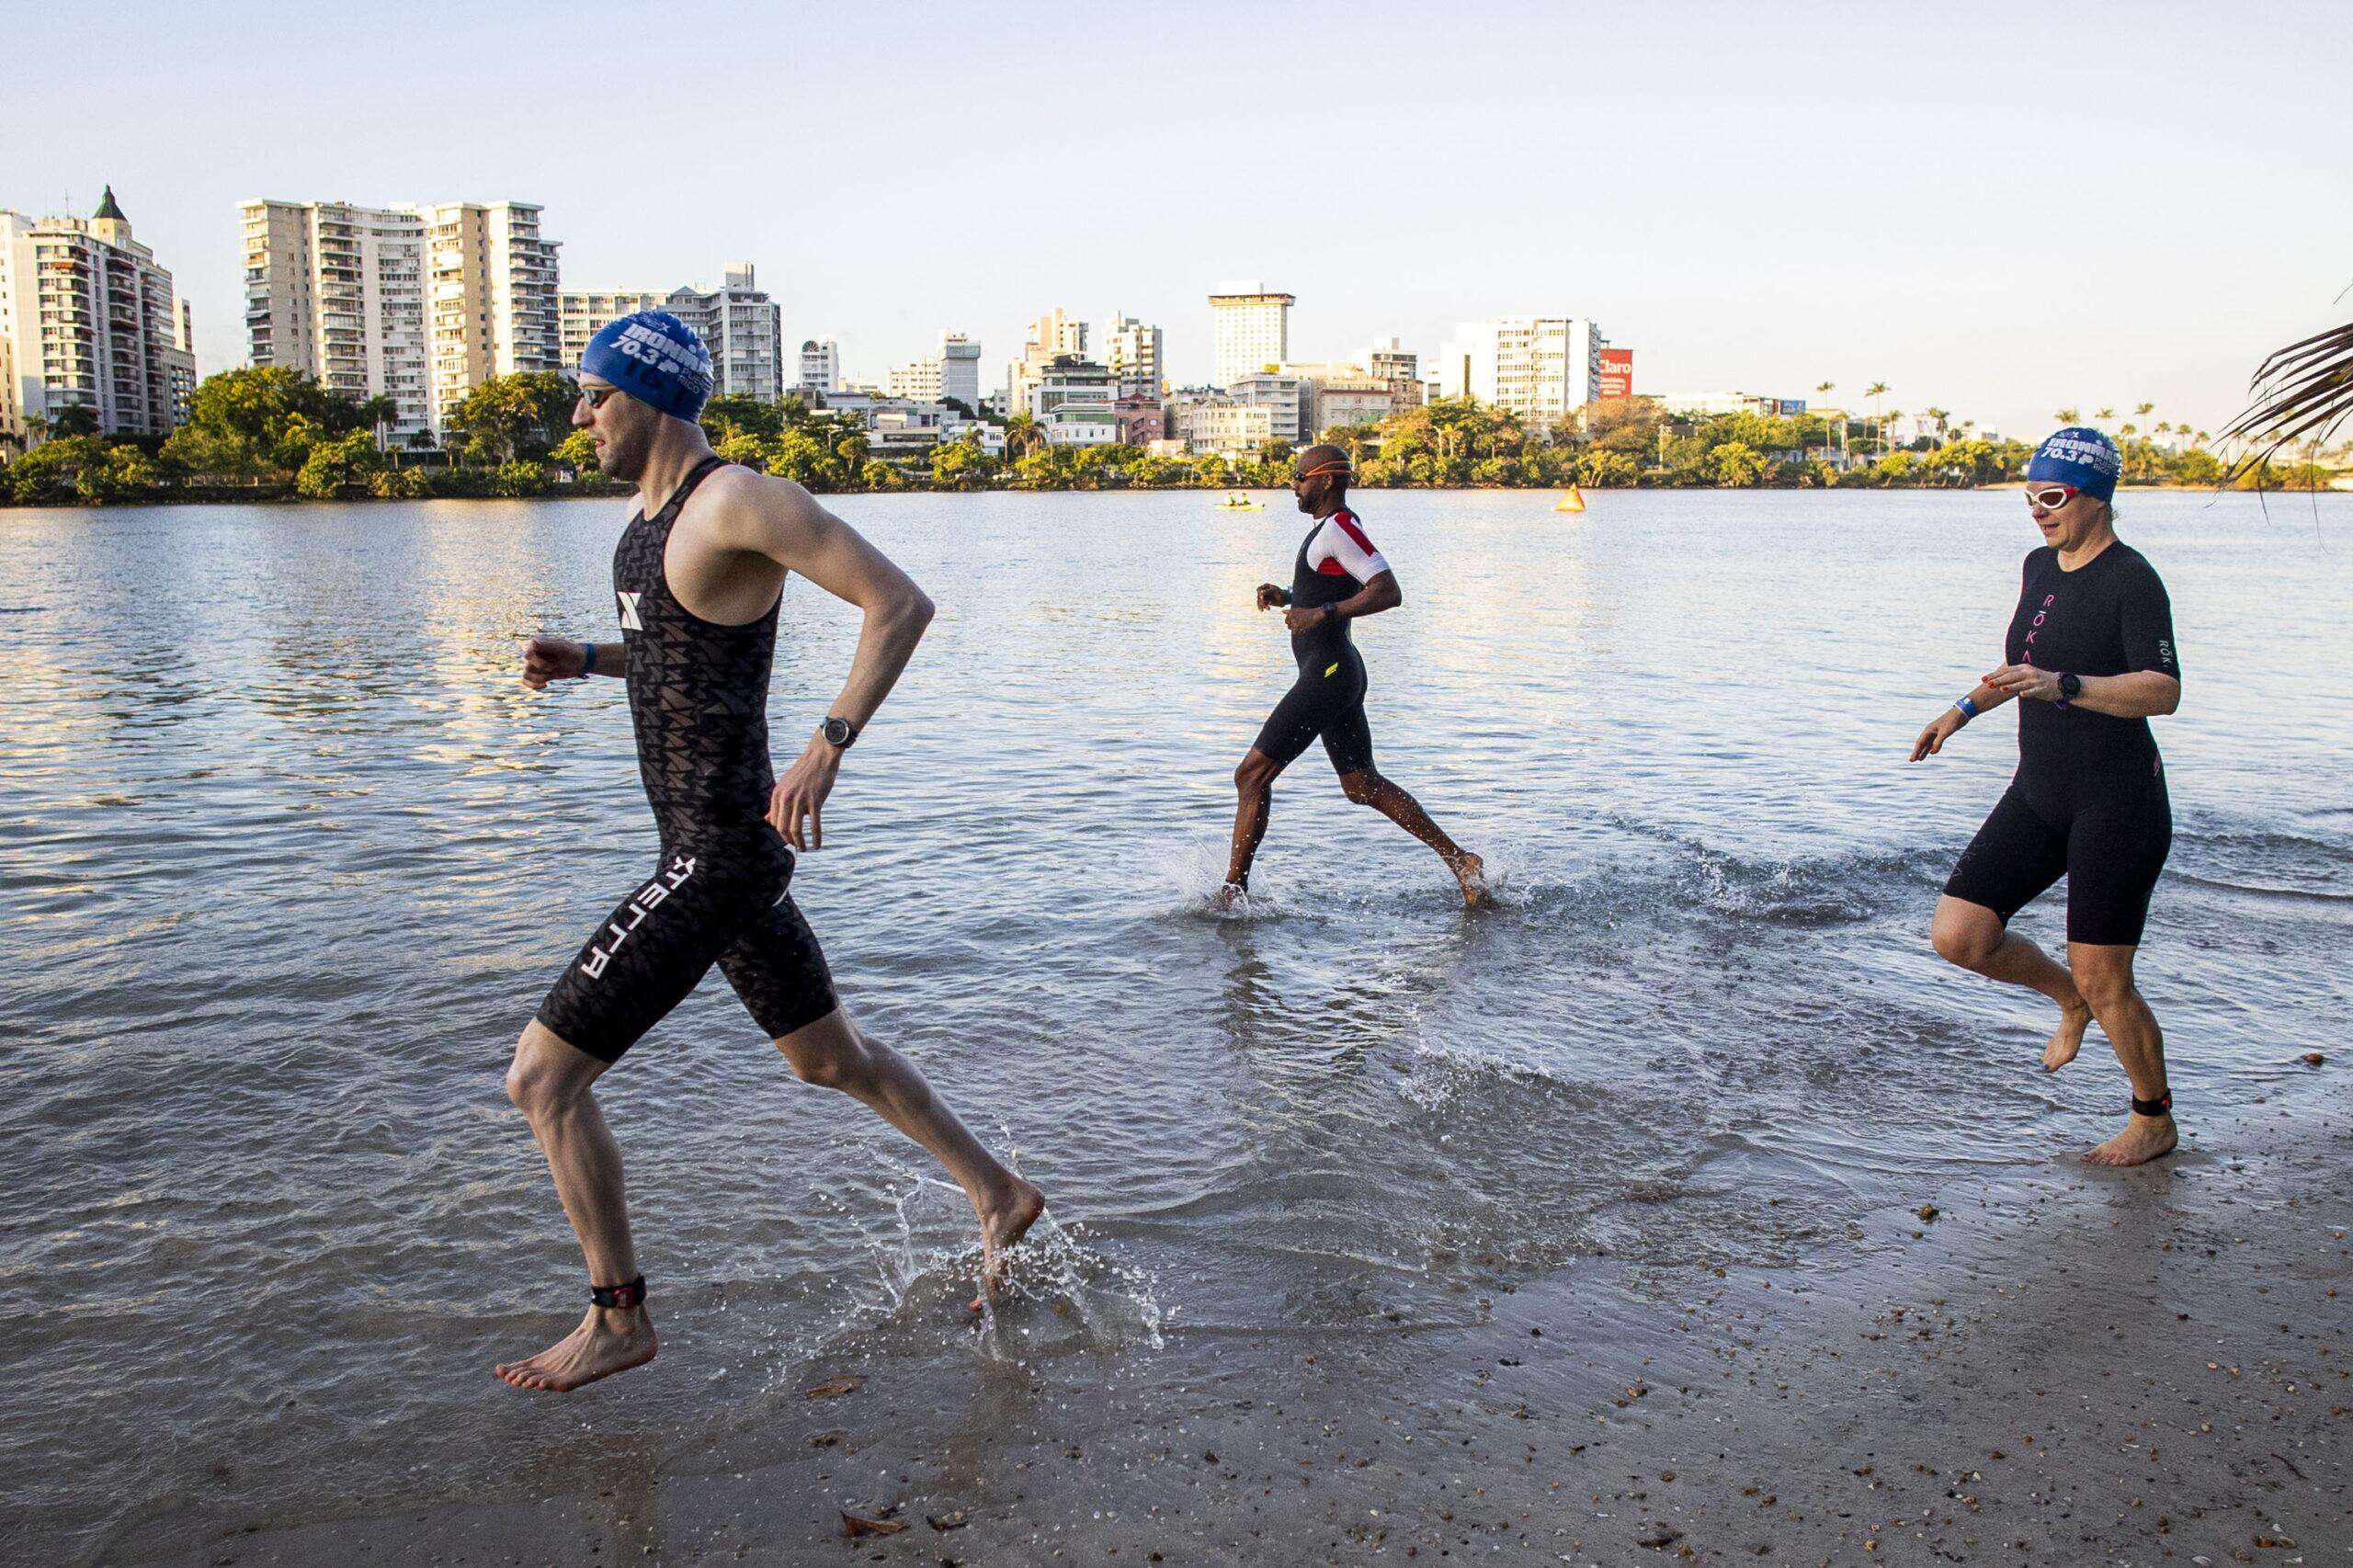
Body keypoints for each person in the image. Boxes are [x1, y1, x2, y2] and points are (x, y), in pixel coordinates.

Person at [497, 312, 1044, 1392]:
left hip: (719, 854)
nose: (579, 414)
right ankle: (999, 1191)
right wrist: (590, 658)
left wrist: (826, 744)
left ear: (646, 396)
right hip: (715, 853)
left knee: (542, 1078)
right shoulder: (641, 525)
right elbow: (677, 656)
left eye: (593, 394)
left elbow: (900, 602)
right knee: (826, 1057)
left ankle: (618, 1315)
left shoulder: (737, 497)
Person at [1910, 426, 2183, 1166]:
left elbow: (2163, 691)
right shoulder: (2039, 564)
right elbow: (2023, 665)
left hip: (2118, 804)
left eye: (2053, 496)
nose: (2039, 510)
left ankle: (2152, 1119)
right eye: (2030, 497)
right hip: (2038, 792)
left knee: (2109, 974)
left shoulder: (2132, 579)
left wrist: (2068, 686)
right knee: (1959, 936)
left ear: (2097, 498)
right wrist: (1959, 712)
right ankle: (2068, 1001)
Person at [1219, 445, 1485, 908]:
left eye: (1299, 478)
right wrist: (1286, 596)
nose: (1293, 486)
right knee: (1362, 785)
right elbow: (1334, 588)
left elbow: (1387, 591)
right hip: (1335, 672)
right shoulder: (1329, 531)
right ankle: (1461, 861)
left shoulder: (1340, 527)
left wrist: (1321, 612)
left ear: (1325, 480)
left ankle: (1232, 895)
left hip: (1329, 674)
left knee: (1251, 776)